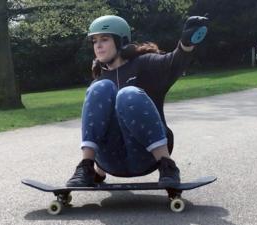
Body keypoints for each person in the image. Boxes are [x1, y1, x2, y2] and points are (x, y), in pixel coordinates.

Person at [66, 15, 208, 187]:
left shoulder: (144, 64)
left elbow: (174, 62)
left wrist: (186, 43)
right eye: (94, 41)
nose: (98, 45)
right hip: (111, 160)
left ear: (121, 42)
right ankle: (86, 168)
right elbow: (100, 125)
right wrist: (100, 172)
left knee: (127, 94)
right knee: (99, 87)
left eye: (104, 39)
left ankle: (167, 166)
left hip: (144, 156)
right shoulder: (100, 81)